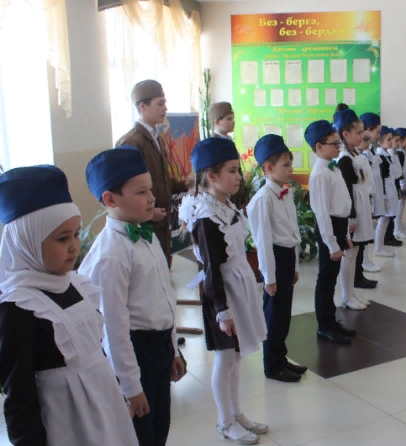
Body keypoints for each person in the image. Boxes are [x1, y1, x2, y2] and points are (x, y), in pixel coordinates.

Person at [0, 166, 138, 446]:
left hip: (103, 404)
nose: (74, 246)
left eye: (76, 234)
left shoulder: (75, 284)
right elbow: (19, 393)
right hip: (67, 422)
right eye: (62, 238)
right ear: (27, 242)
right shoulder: (19, 306)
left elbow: (94, 347)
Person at [80, 148, 185, 446]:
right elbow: (113, 328)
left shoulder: (145, 237)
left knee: (160, 426)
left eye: (150, 189)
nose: (152, 198)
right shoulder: (111, 254)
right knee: (140, 434)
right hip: (136, 352)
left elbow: (165, 299)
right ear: (110, 200)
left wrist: (173, 350)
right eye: (141, 192)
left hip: (159, 346)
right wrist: (130, 387)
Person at [178, 138, 270, 443]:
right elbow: (211, 269)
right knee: (226, 359)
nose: (238, 177)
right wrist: (222, 311)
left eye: (238, 170)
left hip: (238, 287)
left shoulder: (225, 205)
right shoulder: (207, 218)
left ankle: (236, 413)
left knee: (237, 357)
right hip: (222, 294)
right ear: (211, 176)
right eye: (231, 171)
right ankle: (224, 421)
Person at [247, 135, 309, 385]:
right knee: (273, 316)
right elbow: (263, 242)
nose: (291, 169)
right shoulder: (263, 199)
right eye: (286, 165)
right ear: (269, 168)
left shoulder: (285, 192)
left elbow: (292, 232)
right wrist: (269, 277)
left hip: (286, 257)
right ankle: (272, 366)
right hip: (274, 258)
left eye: (290, 163)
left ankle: (281, 358)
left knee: (283, 315)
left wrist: (295, 266)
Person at [116, 79, 190, 268]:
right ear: (143, 106)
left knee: (163, 268)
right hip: (145, 223)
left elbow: (160, 179)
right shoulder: (132, 142)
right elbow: (124, 189)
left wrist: (185, 184)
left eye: (164, 103)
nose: (165, 108)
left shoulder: (157, 138)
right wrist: (148, 212)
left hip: (162, 220)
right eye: (160, 103)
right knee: (149, 272)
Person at [305, 120, 358, 345]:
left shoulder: (333, 168)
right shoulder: (319, 174)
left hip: (339, 226)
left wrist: (345, 236)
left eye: (339, 143)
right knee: (326, 280)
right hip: (329, 229)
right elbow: (322, 213)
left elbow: (342, 203)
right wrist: (332, 244)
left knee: (332, 278)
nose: (339, 147)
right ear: (319, 147)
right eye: (334, 143)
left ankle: (332, 321)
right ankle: (324, 326)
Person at [331, 109, 371, 311]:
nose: (362, 136)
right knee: (350, 253)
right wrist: (352, 217)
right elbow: (346, 190)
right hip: (352, 210)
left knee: (355, 253)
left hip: (360, 205)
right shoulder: (345, 158)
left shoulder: (354, 153)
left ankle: (351, 292)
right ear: (345, 134)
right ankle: (346, 296)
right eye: (358, 132)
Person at [208, 101, 250, 210]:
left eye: (233, 118)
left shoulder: (229, 141)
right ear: (217, 122)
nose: (233, 122)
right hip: (224, 193)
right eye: (229, 119)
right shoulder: (213, 144)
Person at [358, 112, 383, 274]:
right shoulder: (361, 152)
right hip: (362, 195)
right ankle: (363, 262)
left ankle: (365, 261)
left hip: (370, 194)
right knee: (362, 231)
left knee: (367, 229)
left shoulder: (370, 149)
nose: (378, 135)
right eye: (377, 131)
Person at [374, 127, 401, 254]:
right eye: (388, 139)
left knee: (386, 220)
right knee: (383, 220)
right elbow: (381, 178)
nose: (391, 142)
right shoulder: (380, 156)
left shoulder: (387, 155)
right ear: (380, 142)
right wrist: (383, 194)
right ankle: (378, 248)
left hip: (390, 190)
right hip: (385, 192)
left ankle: (380, 247)